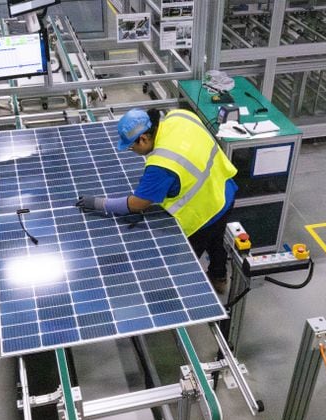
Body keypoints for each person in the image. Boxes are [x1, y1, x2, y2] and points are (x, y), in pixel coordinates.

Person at [76, 107, 238, 293]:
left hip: (204, 213)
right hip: (224, 190)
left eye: (131, 146)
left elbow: (137, 204)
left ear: (144, 138)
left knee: (185, 259)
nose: (132, 151)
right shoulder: (180, 115)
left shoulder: (162, 164)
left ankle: (174, 299)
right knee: (216, 240)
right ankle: (219, 277)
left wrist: (98, 203)